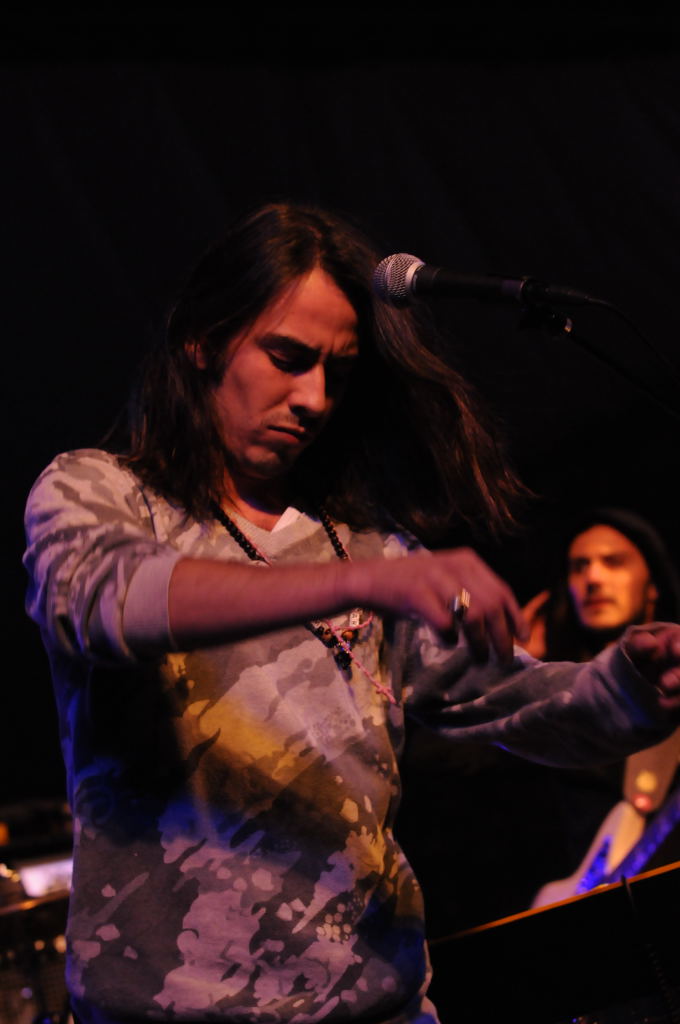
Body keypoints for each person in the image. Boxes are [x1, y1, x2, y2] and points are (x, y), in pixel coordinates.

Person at [22, 201, 680, 1024]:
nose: (314, 398)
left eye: (336, 372)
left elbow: (508, 701)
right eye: (288, 358)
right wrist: (353, 586)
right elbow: (103, 600)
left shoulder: (363, 546)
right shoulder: (98, 491)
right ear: (202, 340)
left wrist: (630, 686)